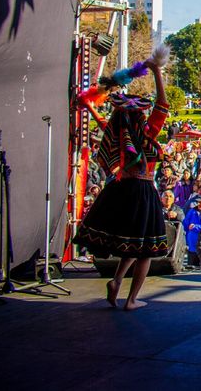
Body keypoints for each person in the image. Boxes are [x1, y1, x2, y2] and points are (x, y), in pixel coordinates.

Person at [74, 53, 170, 310]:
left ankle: (117, 281)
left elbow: (104, 123)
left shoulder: (116, 132)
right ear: (139, 114)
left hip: (120, 189)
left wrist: (89, 105)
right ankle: (132, 299)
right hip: (143, 189)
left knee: (132, 241)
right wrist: (157, 71)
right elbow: (163, 104)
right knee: (146, 249)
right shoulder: (147, 133)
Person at [183, 194, 201, 265]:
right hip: (192, 246)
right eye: (198, 202)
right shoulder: (192, 211)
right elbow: (185, 224)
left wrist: (195, 227)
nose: (198, 204)